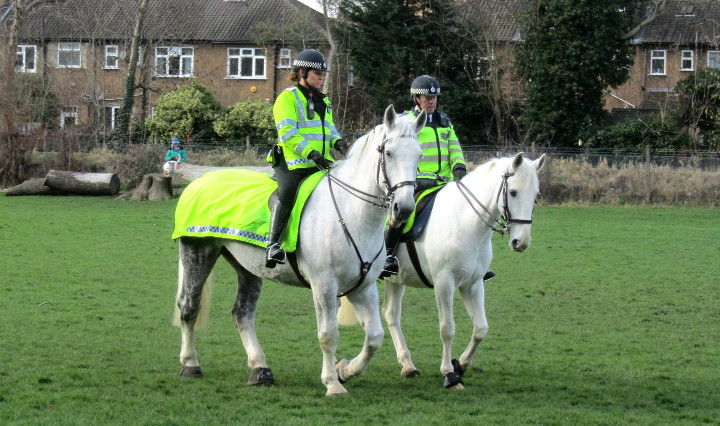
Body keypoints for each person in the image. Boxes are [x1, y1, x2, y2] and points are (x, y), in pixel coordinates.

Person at [381, 75, 495, 280]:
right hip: (417, 182)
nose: (432, 101)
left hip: (444, 182)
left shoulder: (444, 122)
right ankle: (387, 254)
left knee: (471, 211)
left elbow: (454, 147)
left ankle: (476, 263)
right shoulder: (407, 122)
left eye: (434, 97)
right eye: (427, 98)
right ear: (416, 98)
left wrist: (459, 168)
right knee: (401, 215)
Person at [265, 49, 348, 268]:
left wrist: (337, 142)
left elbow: (328, 128)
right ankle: (273, 244)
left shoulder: (323, 100)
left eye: (323, 74)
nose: (321, 77)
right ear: (301, 72)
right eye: (317, 73)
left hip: (319, 163)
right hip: (292, 163)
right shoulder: (287, 98)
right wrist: (312, 153)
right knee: (289, 192)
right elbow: (288, 134)